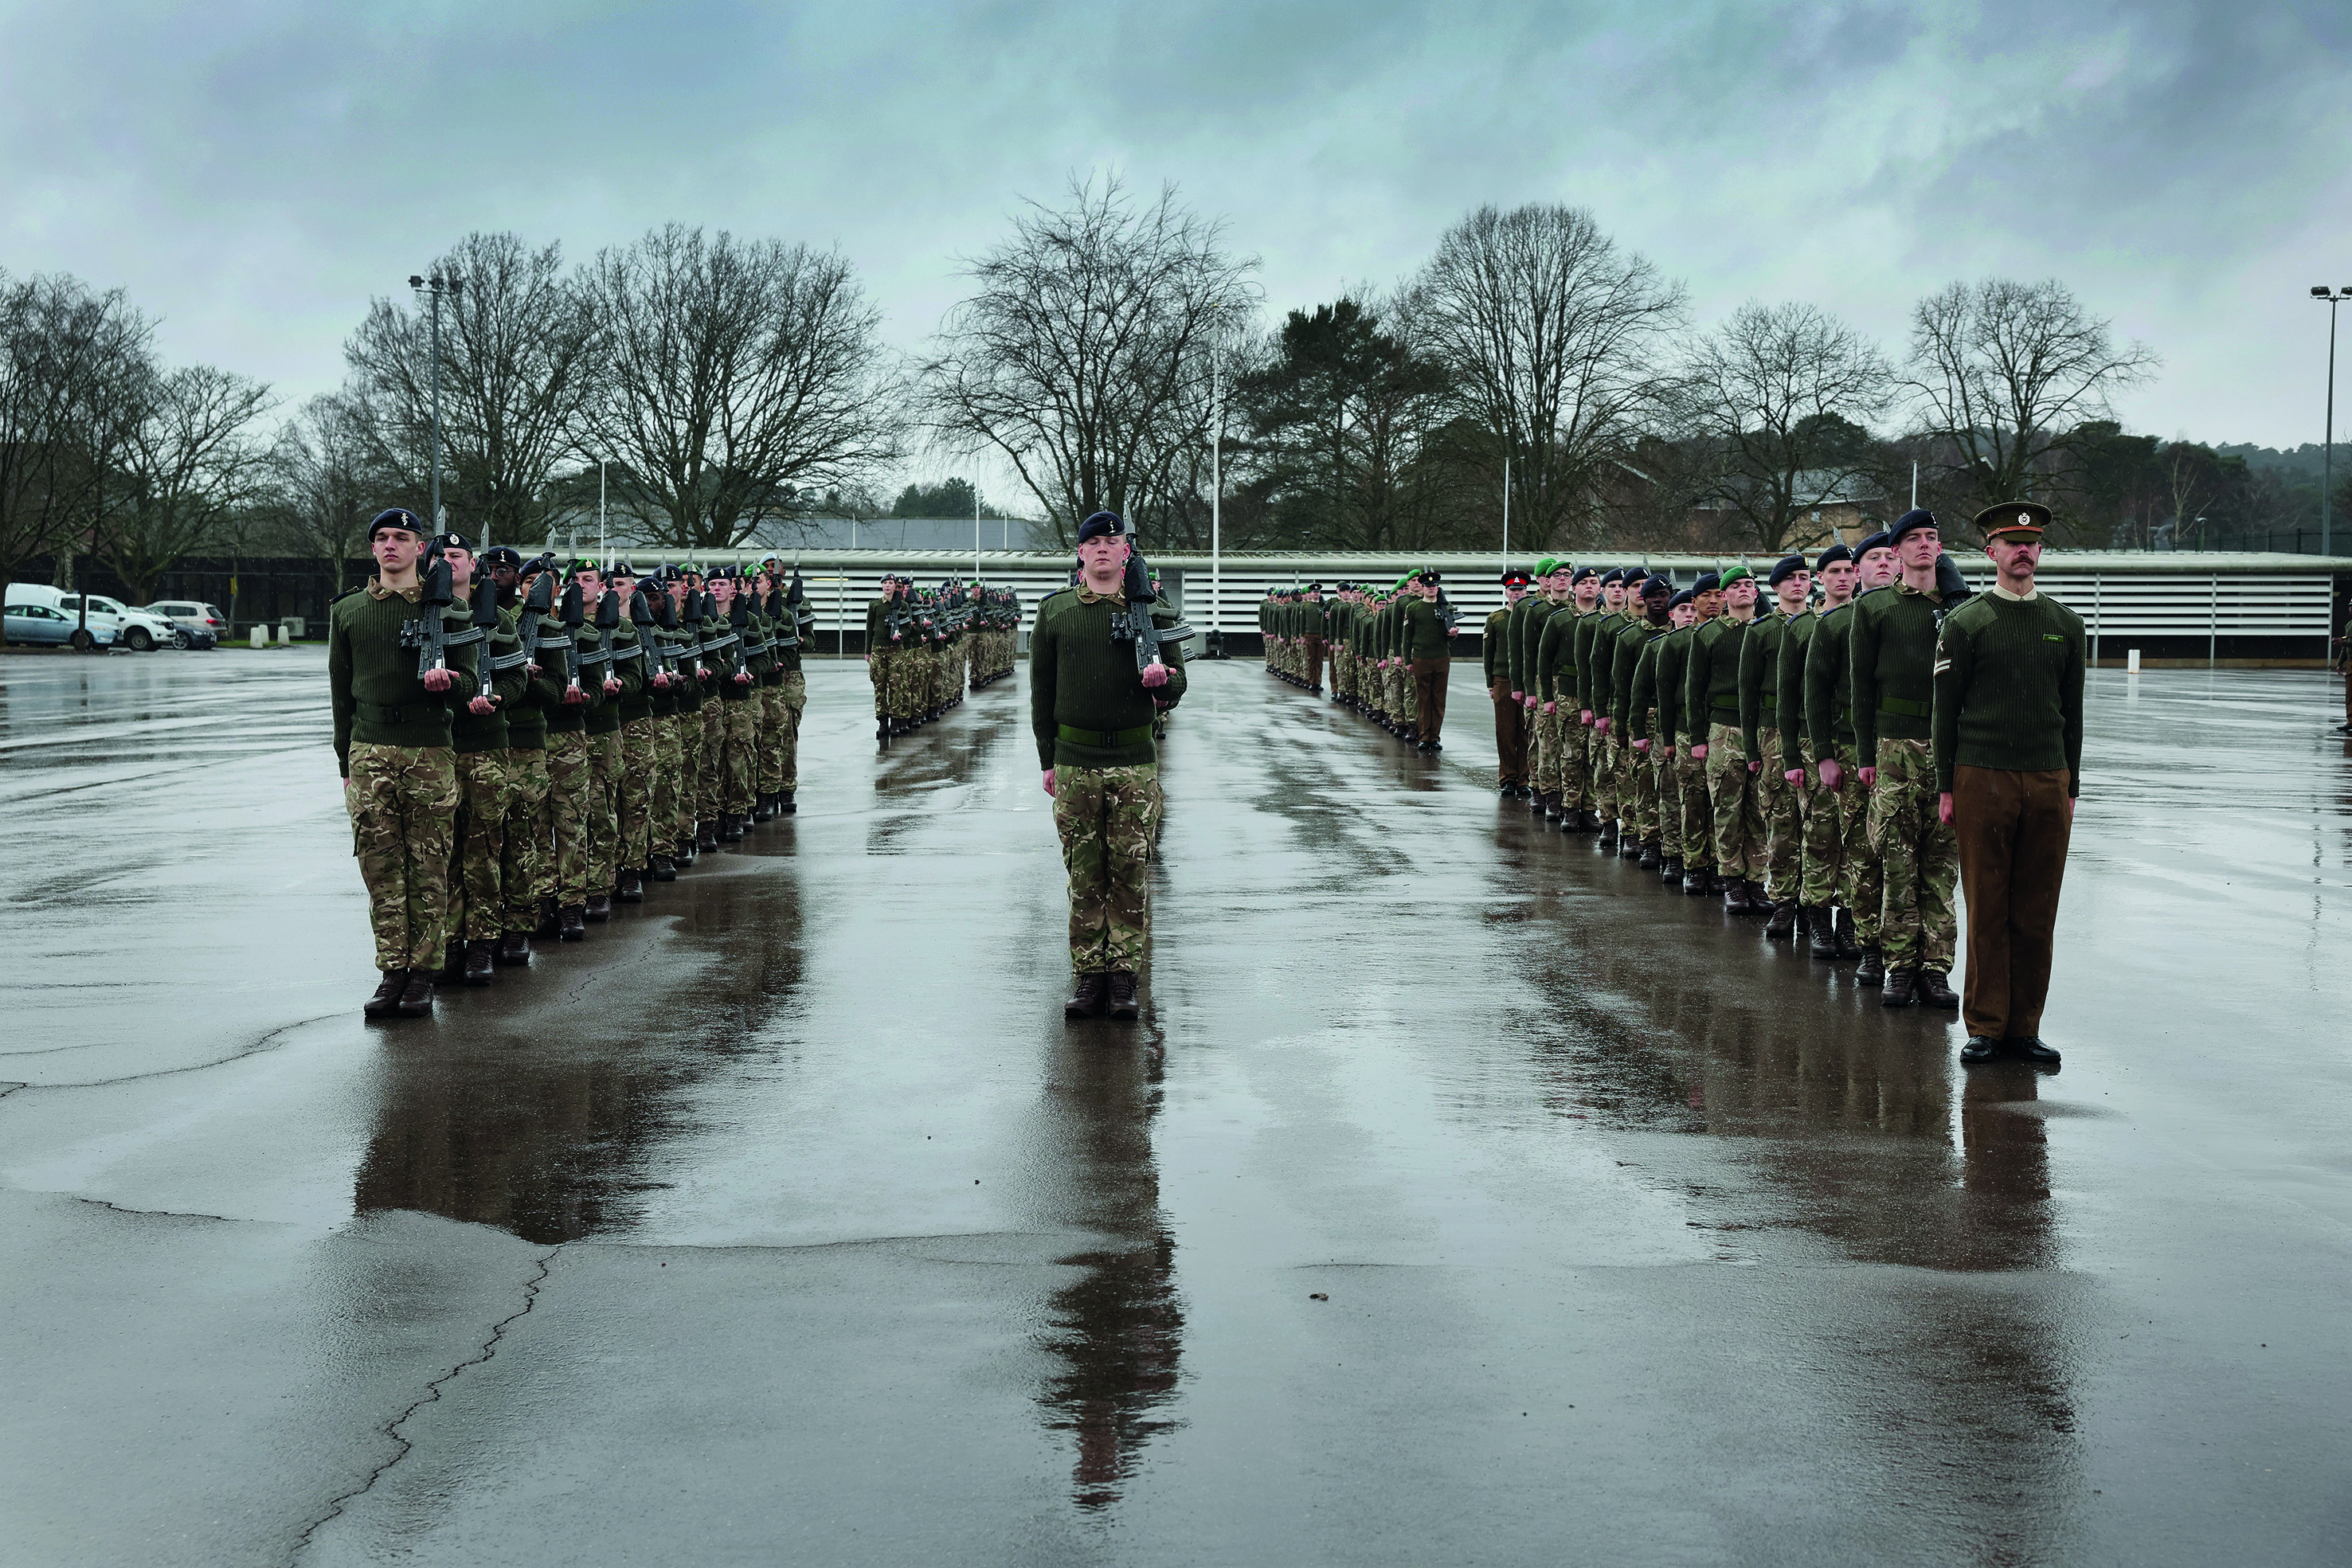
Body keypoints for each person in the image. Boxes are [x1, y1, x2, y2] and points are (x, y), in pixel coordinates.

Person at [1935, 502, 2084, 1066]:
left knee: (2036, 907)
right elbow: (1944, 712)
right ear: (1990, 552)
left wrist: (2071, 783)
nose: (2023, 551)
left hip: (2048, 778)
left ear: (2039, 552)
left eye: (2032, 542)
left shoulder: (2065, 625)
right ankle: (1985, 1025)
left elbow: (2072, 711)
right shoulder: (1966, 623)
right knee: (1987, 903)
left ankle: (2024, 1026)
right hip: (1981, 775)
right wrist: (1945, 785)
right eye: (2010, 541)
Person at [1034, 513, 1186, 1022]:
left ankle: (1123, 977)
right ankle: (1088, 976)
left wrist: (1161, 683)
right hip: (1075, 762)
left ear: (1126, 553)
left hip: (1133, 762)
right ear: (1081, 554)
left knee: (1129, 869)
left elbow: (1178, 687)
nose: (1102, 550)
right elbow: (1042, 692)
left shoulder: (1154, 614)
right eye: (1093, 542)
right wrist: (1047, 759)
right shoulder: (1055, 613)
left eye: (1112, 542)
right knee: (1084, 872)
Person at [327, 509, 478, 1018]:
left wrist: (449, 684)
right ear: (373, 549)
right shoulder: (348, 611)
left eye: (403, 537)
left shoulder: (449, 611)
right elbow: (339, 692)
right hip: (369, 750)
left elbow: (472, 682)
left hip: (428, 748)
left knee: (429, 864)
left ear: (420, 549)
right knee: (379, 865)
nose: (391, 545)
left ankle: (423, 973)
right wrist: (344, 760)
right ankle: (392, 970)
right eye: (383, 538)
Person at [1850, 509, 1962, 1009]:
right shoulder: (1876, 609)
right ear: (1894, 552)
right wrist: (1866, 753)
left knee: (1941, 864)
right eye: (1912, 539)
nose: (1923, 545)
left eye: (1931, 538)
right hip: (1895, 747)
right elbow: (1861, 690)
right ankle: (1899, 965)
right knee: (1896, 861)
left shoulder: (1961, 609)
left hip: (1947, 749)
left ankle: (1936, 968)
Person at [1809, 532, 1897, 980]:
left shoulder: (1927, 615)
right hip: (1849, 748)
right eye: (1873, 558)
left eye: (1889, 556)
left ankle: (1901, 948)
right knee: (1857, 851)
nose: (1883, 564)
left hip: (1905, 750)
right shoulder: (1836, 624)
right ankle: (1864, 940)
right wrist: (1822, 755)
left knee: (1899, 856)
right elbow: (1812, 696)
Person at [436, 534, 524, 983]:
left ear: (473, 564)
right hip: (438, 745)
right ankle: (450, 942)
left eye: (456, 556)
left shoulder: (500, 618)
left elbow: (516, 679)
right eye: (441, 556)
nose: (448, 563)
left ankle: (482, 943)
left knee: (484, 847)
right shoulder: (425, 611)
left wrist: (496, 698)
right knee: (443, 852)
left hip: (486, 743)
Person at [1783, 543, 1857, 959]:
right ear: (1820, 580)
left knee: (1857, 842)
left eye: (1849, 570)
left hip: (1855, 744)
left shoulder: (1863, 620)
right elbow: (1789, 700)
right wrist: (1792, 756)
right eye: (1834, 571)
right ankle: (1817, 919)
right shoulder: (1803, 627)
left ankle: (1847, 920)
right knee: (1819, 835)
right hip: (1817, 744)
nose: (1843, 577)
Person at [1740, 553, 1814, 936]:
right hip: (1771, 731)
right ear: (1777, 587)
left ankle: (1816, 903)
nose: (1799, 584)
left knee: (1817, 823)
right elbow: (1748, 694)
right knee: (1780, 818)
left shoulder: (1821, 624)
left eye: (1804, 577)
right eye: (1791, 579)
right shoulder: (1761, 631)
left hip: (1813, 727)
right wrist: (1752, 749)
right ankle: (1785, 900)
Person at [1687, 564, 1764, 911]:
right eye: (1737, 586)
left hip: (1763, 728)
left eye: (1750, 585)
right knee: (1727, 807)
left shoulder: (1768, 630)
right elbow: (1695, 690)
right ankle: (1731, 878)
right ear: (1725, 595)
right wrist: (1698, 737)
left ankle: (1757, 880)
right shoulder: (1708, 635)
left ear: (1758, 593)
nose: (1745, 590)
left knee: (1760, 809)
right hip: (1724, 728)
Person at [1485, 570, 1532, 796]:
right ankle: (1508, 778)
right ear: (1506, 593)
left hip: (1527, 679)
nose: (1517, 594)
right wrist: (1490, 683)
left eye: (1520, 590)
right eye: (1513, 590)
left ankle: (1525, 778)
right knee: (1505, 732)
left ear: (1526, 591)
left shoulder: (1532, 616)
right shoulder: (1496, 619)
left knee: (1526, 731)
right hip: (1503, 679)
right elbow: (1488, 654)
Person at [1399, 569, 1454, 750]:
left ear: (1438, 588)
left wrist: (1453, 634)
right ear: (1423, 588)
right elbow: (1407, 637)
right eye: (1428, 586)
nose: (1431, 589)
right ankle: (1424, 737)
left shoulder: (1446, 607)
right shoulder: (1413, 608)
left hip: (1441, 657)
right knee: (1423, 699)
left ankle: (1435, 736)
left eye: (1434, 586)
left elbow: (1449, 636)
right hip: (1421, 657)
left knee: (1439, 699)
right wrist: (1408, 659)